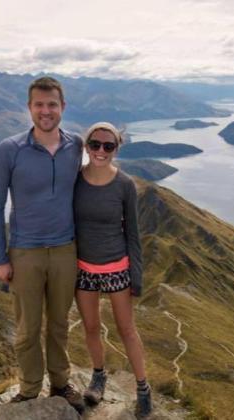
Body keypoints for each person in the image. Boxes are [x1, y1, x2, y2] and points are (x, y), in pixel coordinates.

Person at [0, 76, 85, 413]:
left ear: (62, 107)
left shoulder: (76, 146)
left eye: (52, 105)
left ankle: (60, 384)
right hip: (25, 252)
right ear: (29, 108)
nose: (46, 111)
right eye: (39, 105)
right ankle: (29, 390)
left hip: (65, 251)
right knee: (28, 328)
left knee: (58, 324)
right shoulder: (9, 149)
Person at [74, 122, 152, 417]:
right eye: (95, 144)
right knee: (91, 327)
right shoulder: (75, 180)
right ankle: (98, 376)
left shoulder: (125, 185)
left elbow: (132, 232)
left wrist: (137, 275)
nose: (101, 151)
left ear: (116, 148)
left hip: (116, 267)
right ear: (87, 145)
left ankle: (143, 388)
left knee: (126, 329)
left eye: (108, 146)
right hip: (83, 269)